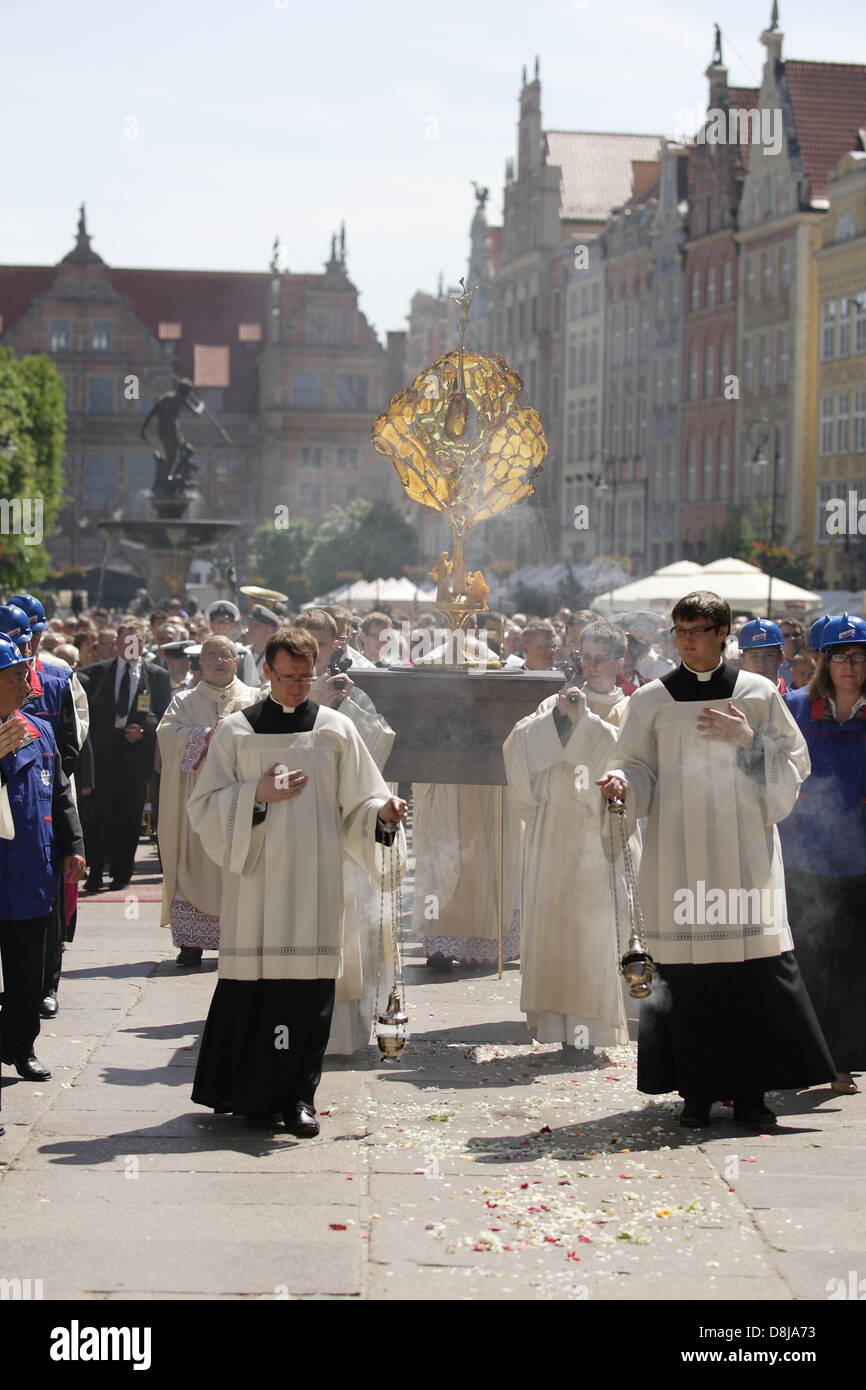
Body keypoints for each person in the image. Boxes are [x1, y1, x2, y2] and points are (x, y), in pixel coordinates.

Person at [597, 590, 835, 1129]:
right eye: (680, 630)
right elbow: (636, 766)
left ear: (723, 634)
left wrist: (750, 741)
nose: (687, 639)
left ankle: (752, 1096)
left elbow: (794, 767)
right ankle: (696, 1094)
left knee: (751, 979)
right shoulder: (652, 700)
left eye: (698, 630)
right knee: (690, 981)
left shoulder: (756, 694)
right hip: (679, 858)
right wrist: (621, 783)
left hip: (744, 854)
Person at [186, 627, 407, 1134]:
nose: (296, 687)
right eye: (287, 677)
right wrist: (256, 796)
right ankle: (249, 1094)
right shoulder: (236, 731)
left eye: (306, 677)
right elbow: (202, 806)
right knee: (257, 991)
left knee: (308, 996)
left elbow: (361, 800)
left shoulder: (334, 729)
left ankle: (298, 1098)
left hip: (314, 882)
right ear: (266, 671)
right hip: (257, 883)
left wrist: (384, 812)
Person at [505, 622, 633, 1058]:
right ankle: (560, 1026)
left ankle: (593, 1028)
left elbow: (629, 762)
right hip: (554, 832)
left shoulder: (629, 708)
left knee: (594, 931)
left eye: (601, 659)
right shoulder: (553, 703)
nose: (592, 667)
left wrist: (585, 723)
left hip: (598, 838)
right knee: (556, 926)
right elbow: (516, 747)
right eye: (586, 658)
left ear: (620, 663)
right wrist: (559, 720)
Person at [294, 611, 398, 1053]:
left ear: (338, 646)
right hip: (296, 834)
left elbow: (376, 751)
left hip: (346, 834)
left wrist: (345, 708)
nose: (319, 654)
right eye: (309, 646)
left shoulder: (354, 695)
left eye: (326, 645)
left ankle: (346, 1036)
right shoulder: (281, 690)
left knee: (349, 932)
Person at [781, 614, 866, 1094]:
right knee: (807, 961)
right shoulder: (794, 708)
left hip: (859, 861)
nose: (850, 665)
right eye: (840, 656)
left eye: (858, 656)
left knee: (853, 964)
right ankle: (803, 1056)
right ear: (822, 662)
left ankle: (841, 1061)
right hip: (804, 858)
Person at [0, 636, 85, 1089]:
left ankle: (20, 1047)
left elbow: (59, 794)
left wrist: (73, 846)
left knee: (27, 974)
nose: (24, 682)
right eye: (14, 675)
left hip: (33, 872)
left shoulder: (39, 730)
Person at [157, 637, 259, 967]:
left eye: (225, 654)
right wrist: (204, 735)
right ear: (200, 662)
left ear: (236, 661)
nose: (219, 660)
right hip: (197, 803)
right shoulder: (184, 702)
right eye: (211, 655)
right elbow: (167, 737)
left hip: (240, 802)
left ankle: (239, 935)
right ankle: (191, 943)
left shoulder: (256, 698)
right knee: (195, 863)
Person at [78, 617, 171, 893]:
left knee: (129, 817)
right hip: (104, 755)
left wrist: (144, 730)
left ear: (143, 644)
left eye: (136, 641)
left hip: (135, 757)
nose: (130, 645)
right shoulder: (95, 673)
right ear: (117, 644)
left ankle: (122, 872)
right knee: (99, 815)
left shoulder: (157, 677)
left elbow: (164, 717)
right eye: (125, 640)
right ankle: (94, 872)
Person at [737, 618, 786, 692]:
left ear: (781, 658)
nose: (761, 664)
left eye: (769, 655)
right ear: (742, 660)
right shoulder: (732, 702)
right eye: (753, 656)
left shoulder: (795, 702)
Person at [244, 604, 281, 685]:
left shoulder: (278, 658)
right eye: (250, 624)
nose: (250, 629)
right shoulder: (242, 652)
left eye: (256, 626)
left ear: (269, 630)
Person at [778, 619, 805, 688]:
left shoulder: (812, 665)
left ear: (802, 638)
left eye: (796, 634)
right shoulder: (774, 667)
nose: (792, 638)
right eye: (786, 635)